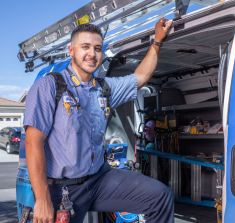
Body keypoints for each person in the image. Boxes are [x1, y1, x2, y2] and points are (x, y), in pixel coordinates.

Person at [24, 18, 174, 223]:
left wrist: (157, 40)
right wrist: (42, 199)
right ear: (71, 50)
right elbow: (33, 142)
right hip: (62, 189)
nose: (92, 54)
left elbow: (140, 77)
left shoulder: (104, 89)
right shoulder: (49, 86)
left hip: (99, 180)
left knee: (160, 196)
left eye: (97, 48)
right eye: (85, 47)